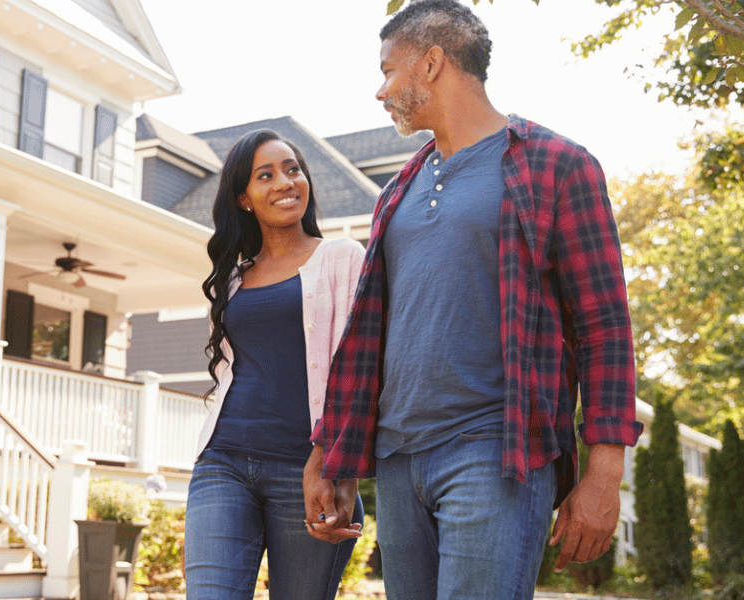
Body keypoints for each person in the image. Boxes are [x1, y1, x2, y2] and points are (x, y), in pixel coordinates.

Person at [303, 2, 645, 599]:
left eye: (388, 70)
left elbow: (603, 324)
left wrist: (605, 471)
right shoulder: (398, 189)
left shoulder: (556, 165)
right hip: (400, 454)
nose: (380, 90)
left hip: (496, 451)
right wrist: (333, 451)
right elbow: (368, 339)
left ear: (431, 63)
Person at [185, 129, 365, 600]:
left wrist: (339, 468)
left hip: (307, 469)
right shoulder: (232, 279)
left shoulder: (341, 258)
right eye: (266, 175)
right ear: (244, 199)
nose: (286, 182)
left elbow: (363, 371)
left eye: (293, 170)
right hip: (223, 462)